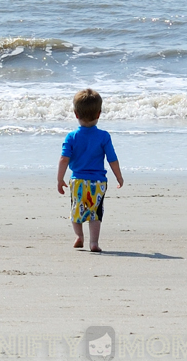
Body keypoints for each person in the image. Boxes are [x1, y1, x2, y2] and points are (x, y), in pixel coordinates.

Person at [57, 89, 124, 252]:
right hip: (98, 182)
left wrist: (60, 179)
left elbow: (64, 159)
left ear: (76, 114)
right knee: (95, 212)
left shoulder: (71, 137)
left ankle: (79, 236)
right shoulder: (104, 136)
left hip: (78, 180)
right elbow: (112, 159)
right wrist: (119, 177)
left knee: (76, 209)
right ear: (99, 114)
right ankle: (94, 242)